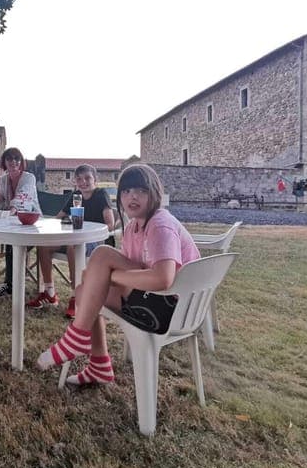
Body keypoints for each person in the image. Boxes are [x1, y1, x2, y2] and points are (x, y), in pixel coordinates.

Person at [36, 164, 200, 385]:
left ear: (155, 194)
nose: (133, 196)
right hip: (160, 301)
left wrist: (109, 278)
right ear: (120, 197)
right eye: (126, 191)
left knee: (101, 260)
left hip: (171, 310)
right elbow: (128, 268)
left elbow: (163, 278)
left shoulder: (160, 224)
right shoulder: (133, 227)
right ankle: (99, 365)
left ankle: (76, 339)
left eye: (141, 191)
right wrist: (105, 278)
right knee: (86, 288)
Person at [30, 164, 116, 314]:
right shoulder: (76, 196)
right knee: (43, 246)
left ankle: (76, 295)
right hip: (73, 237)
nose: (83, 182)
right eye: (79, 179)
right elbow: (59, 218)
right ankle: (50, 293)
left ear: (95, 179)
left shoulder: (101, 195)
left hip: (96, 241)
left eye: (87, 178)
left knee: (73, 246)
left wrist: (90, 231)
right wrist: (63, 223)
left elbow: (110, 224)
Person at [0, 146, 41, 297]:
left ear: (21, 161)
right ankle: (12, 282)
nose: (13, 162)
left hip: (32, 226)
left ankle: (10, 285)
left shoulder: (29, 178)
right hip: (10, 224)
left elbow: (22, 198)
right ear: (4, 162)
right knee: (11, 240)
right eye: (9, 159)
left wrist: (10, 212)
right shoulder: (2, 179)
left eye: (17, 159)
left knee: (13, 243)